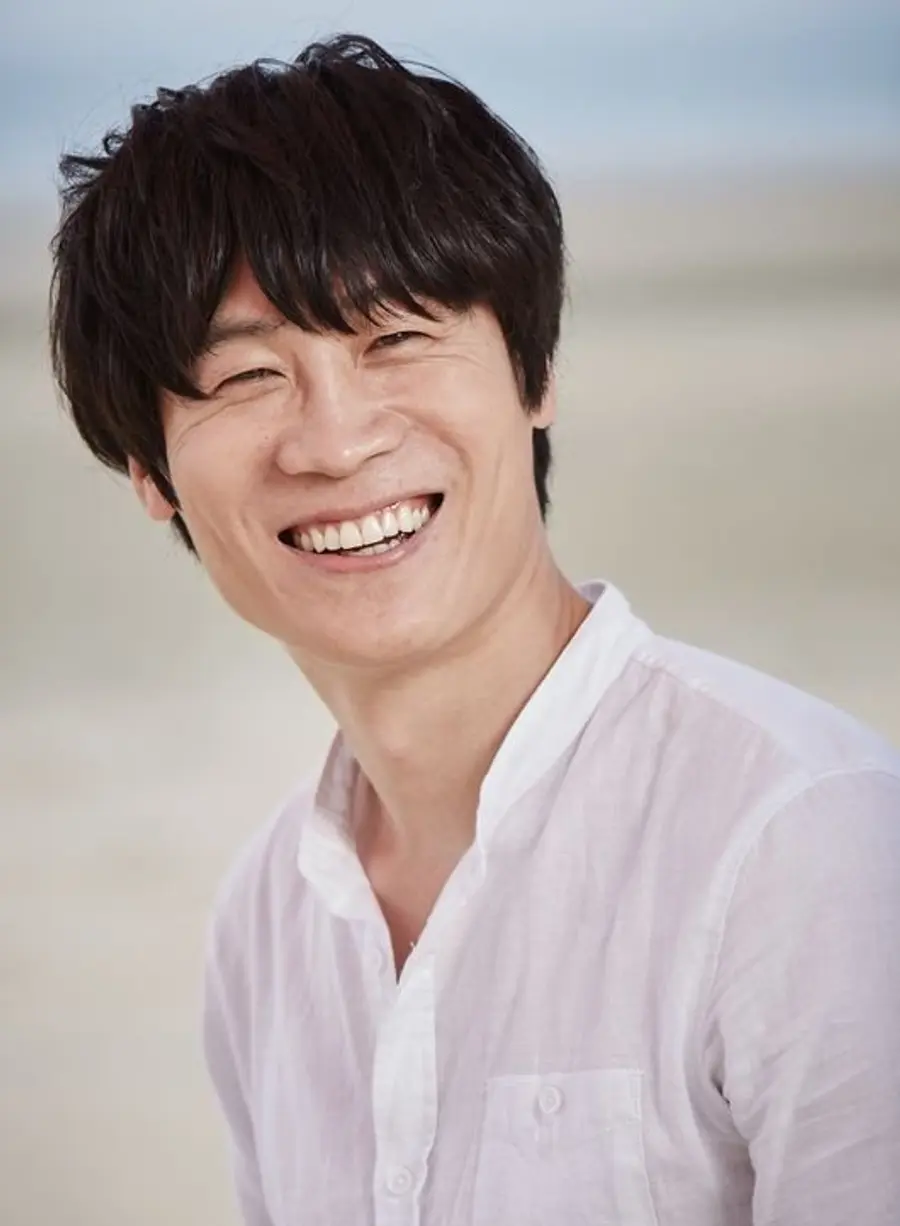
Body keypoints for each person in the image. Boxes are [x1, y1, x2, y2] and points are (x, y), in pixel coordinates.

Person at [49, 32, 900, 1226]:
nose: (336, 441)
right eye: (246, 378)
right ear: (150, 471)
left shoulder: (806, 842)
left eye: (396, 337)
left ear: (534, 372)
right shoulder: (265, 926)